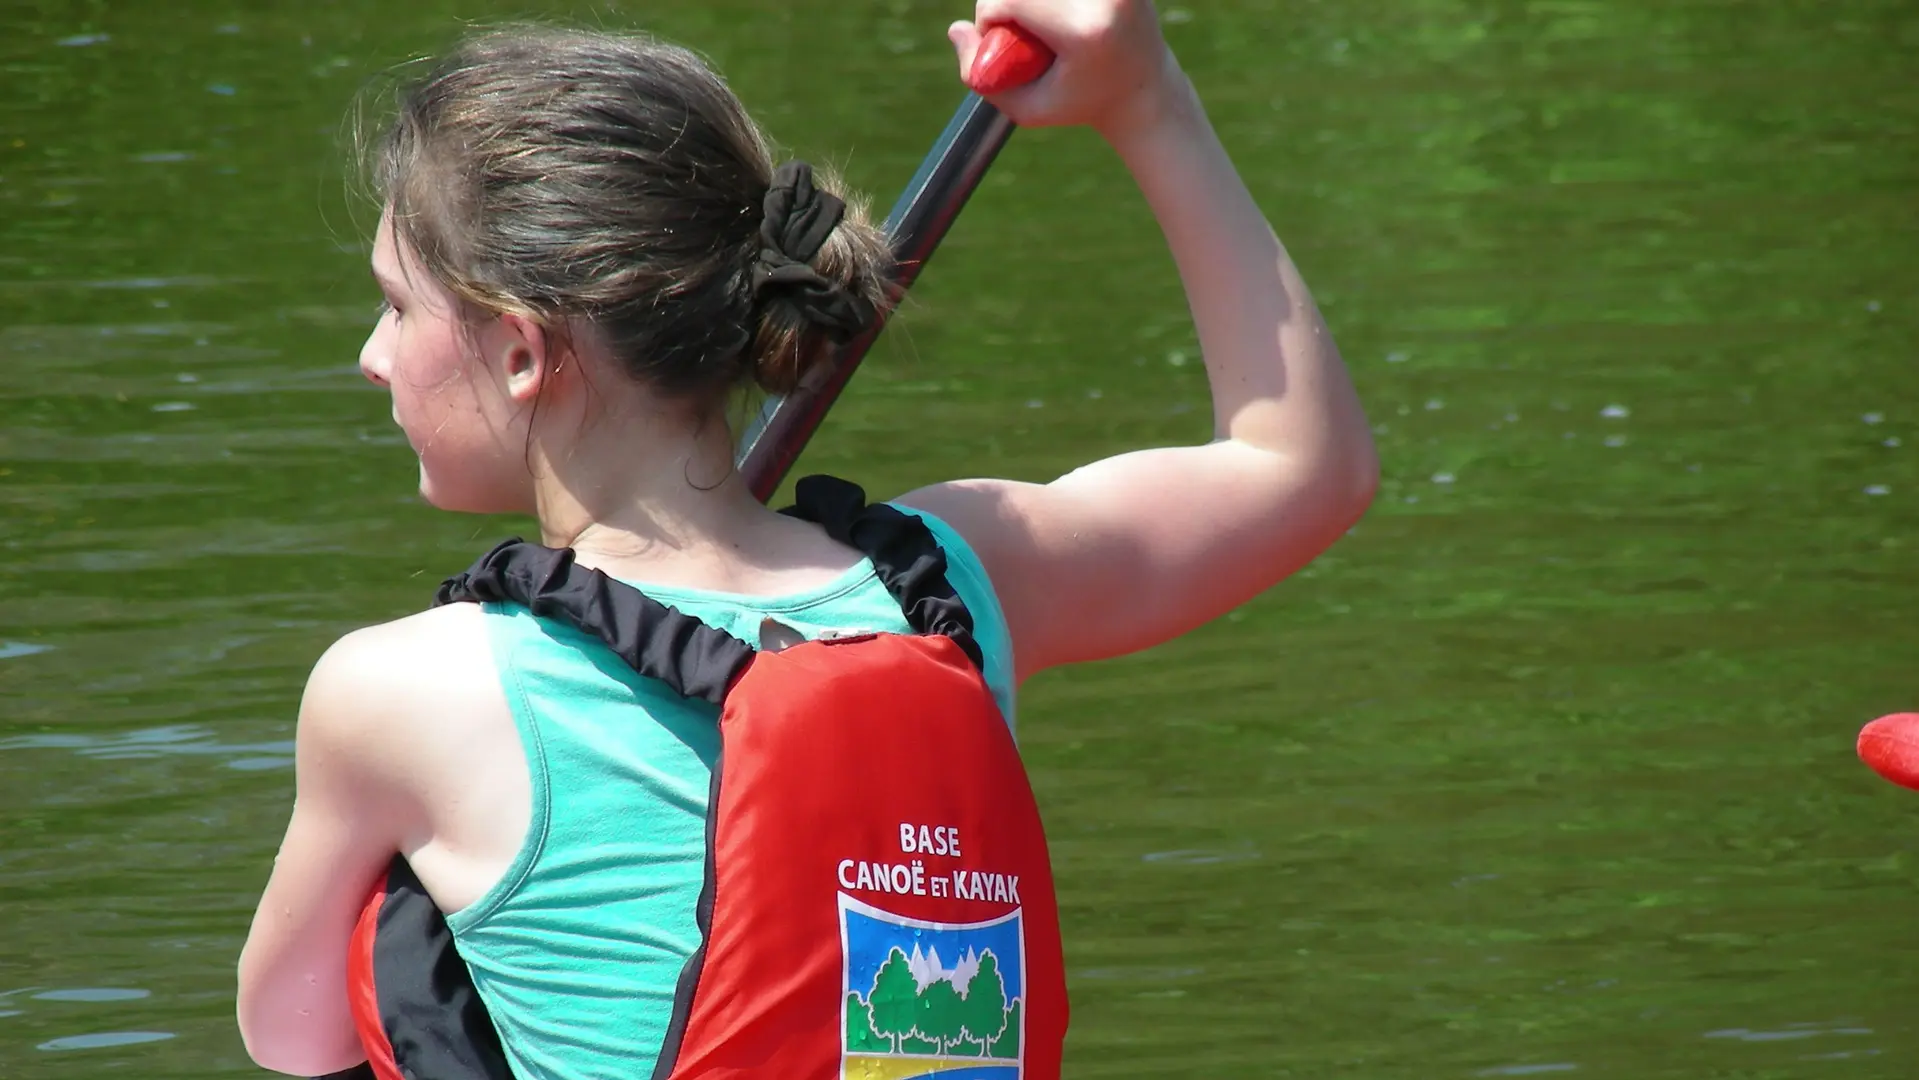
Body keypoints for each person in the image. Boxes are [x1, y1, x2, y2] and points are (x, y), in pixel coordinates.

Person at [235, 0, 1378, 1076]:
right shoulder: (955, 586)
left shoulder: (402, 692)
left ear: (524, 352)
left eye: (396, 304)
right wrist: (1146, 100)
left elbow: (292, 1035)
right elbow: (1301, 469)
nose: (373, 357)